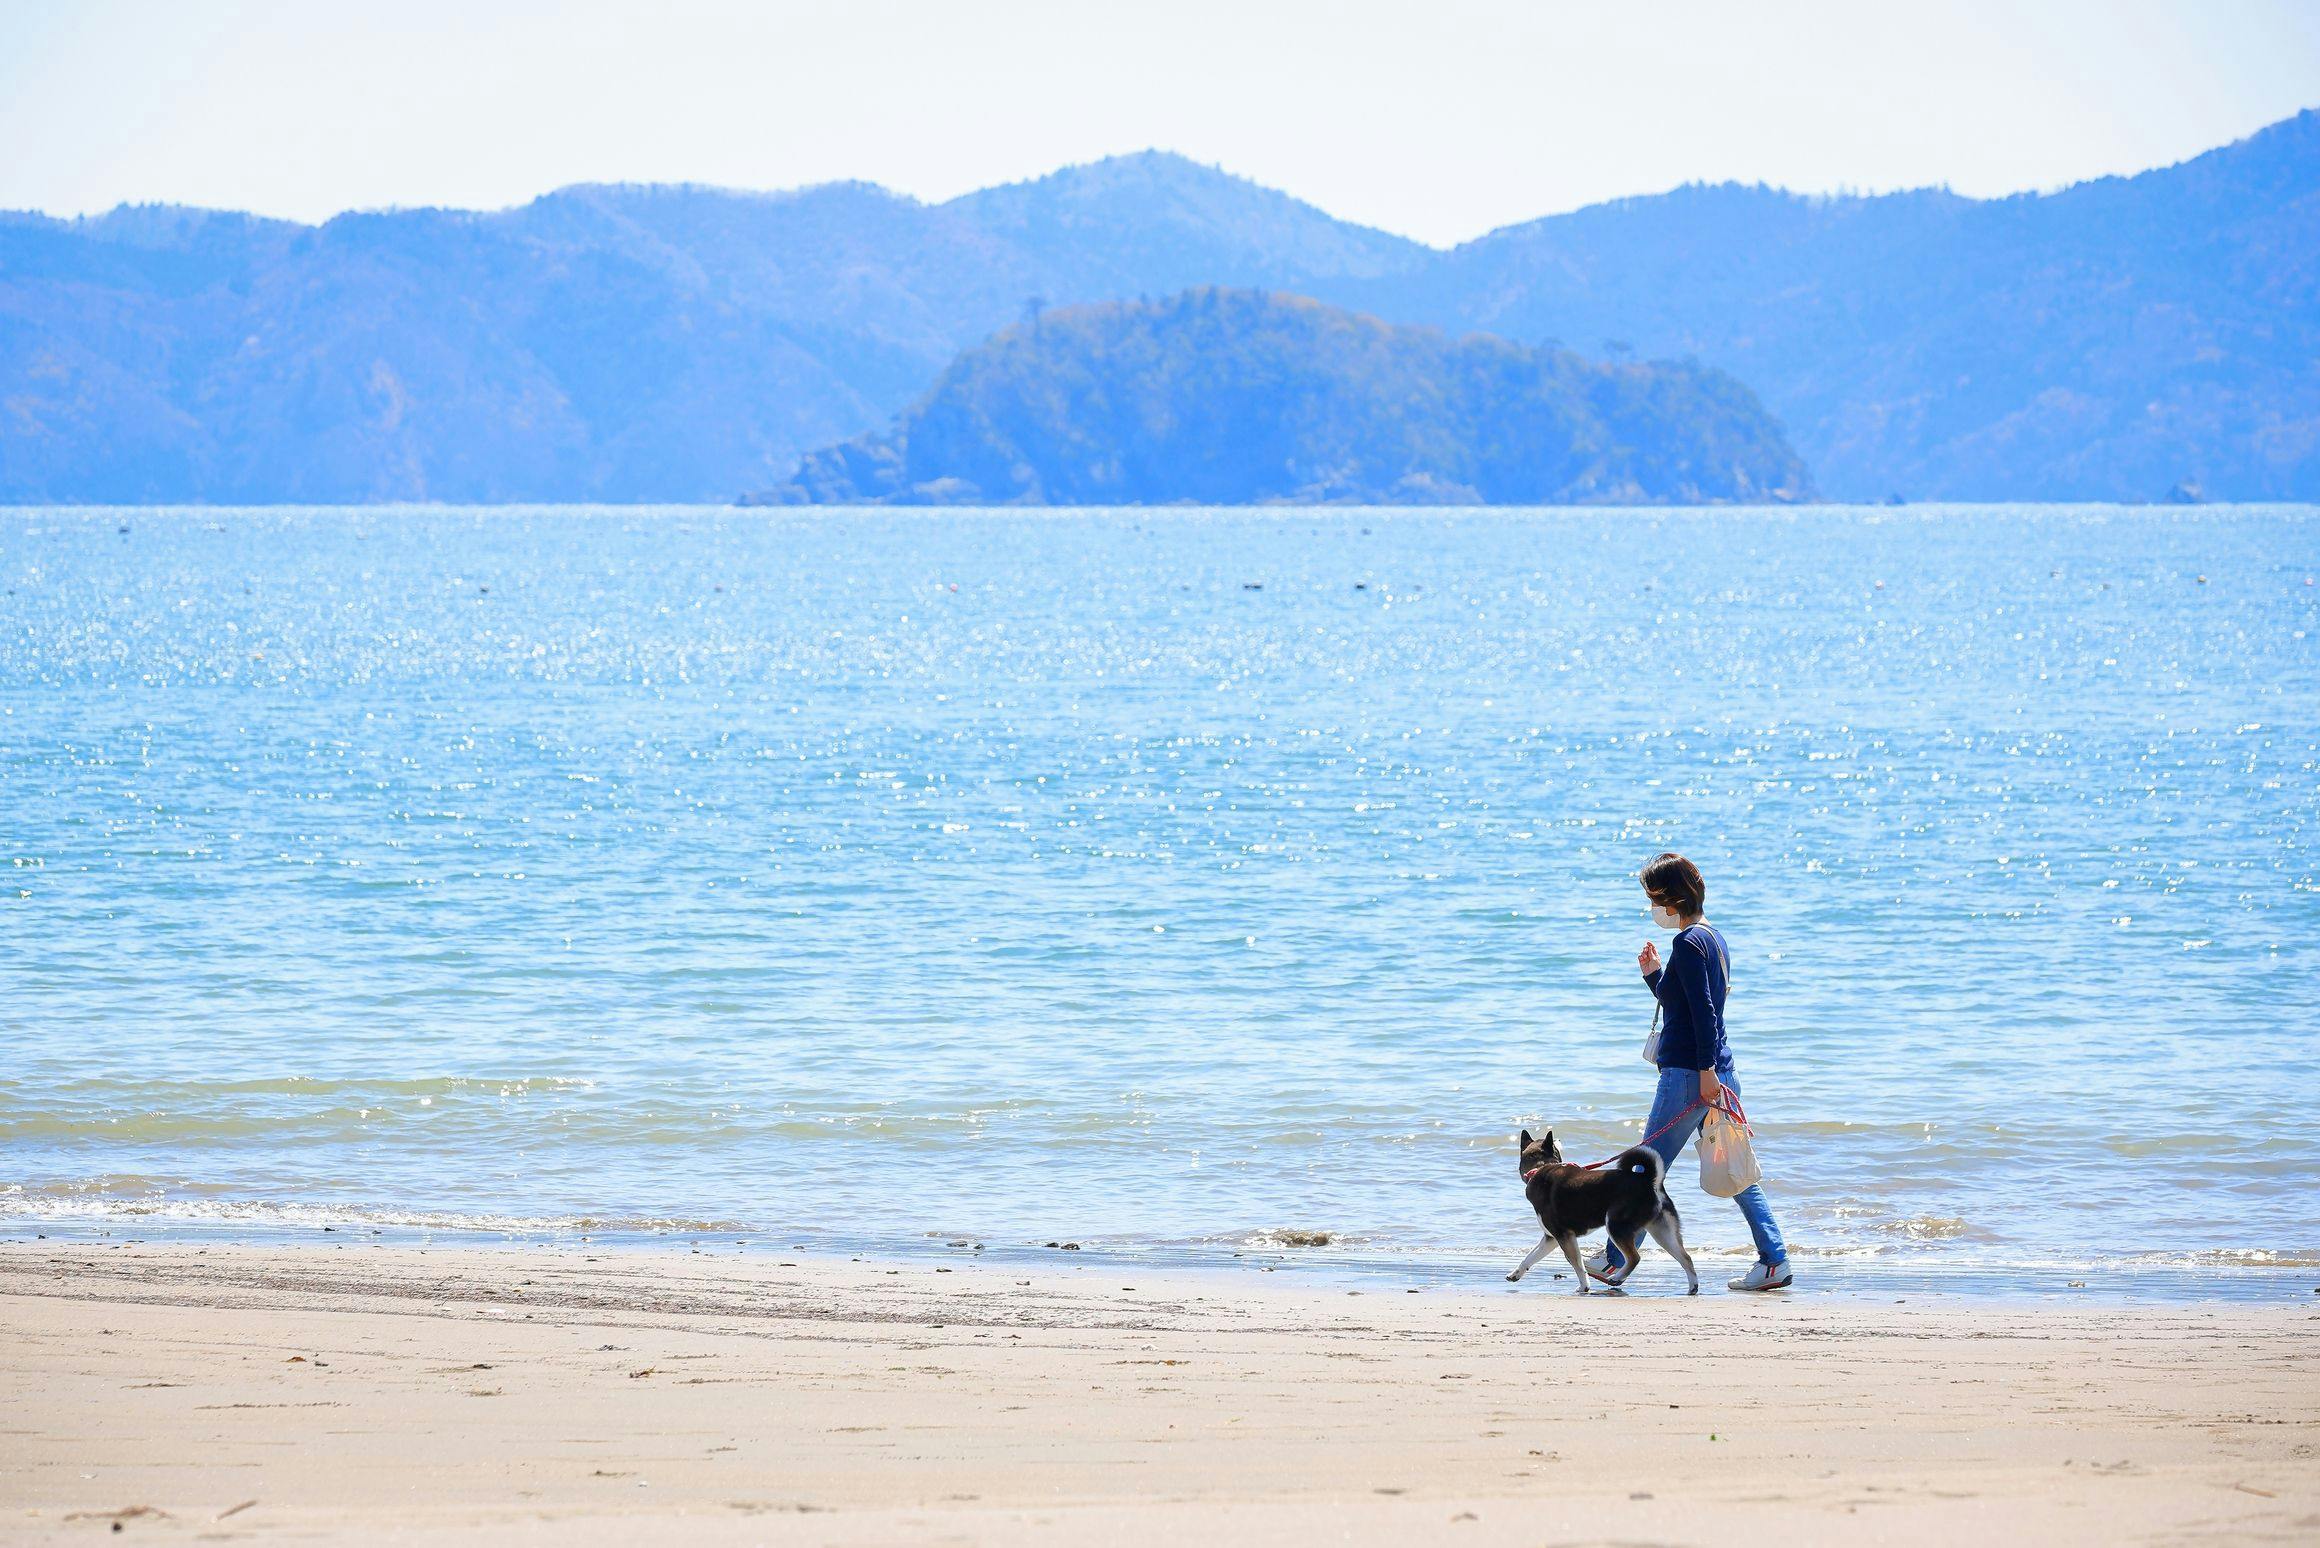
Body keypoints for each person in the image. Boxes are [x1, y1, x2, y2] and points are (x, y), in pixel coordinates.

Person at [1592, 852, 1794, 1292]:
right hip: (1716, 1069)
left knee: (1644, 1169)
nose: (1651, 907)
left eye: (1652, 898)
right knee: (1735, 1169)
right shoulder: (1711, 938)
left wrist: (1703, 1072)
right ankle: (1774, 1260)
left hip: (1692, 1074)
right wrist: (1653, 975)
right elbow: (1686, 1004)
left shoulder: (1686, 943)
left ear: (1670, 897)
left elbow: (1704, 1012)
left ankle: (1613, 1260)